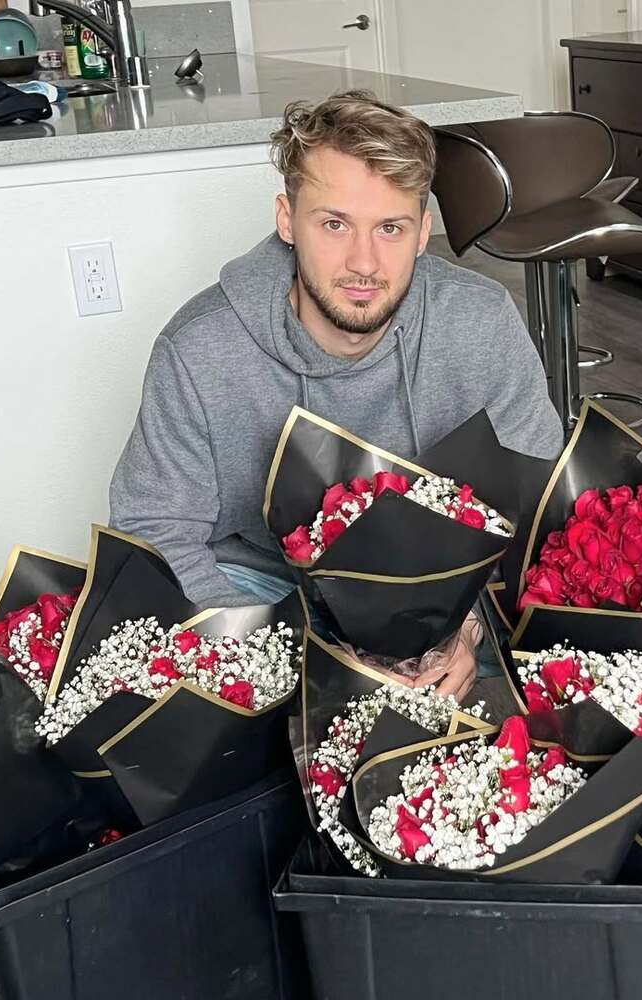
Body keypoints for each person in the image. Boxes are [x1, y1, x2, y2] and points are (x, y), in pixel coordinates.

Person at [109, 90, 563, 698]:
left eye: (391, 228)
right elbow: (152, 529)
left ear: (424, 232)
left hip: (450, 603)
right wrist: (301, 657)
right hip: (270, 590)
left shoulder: (479, 322)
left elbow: (539, 504)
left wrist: (468, 625)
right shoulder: (199, 348)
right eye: (334, 223)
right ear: (285, 220)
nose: (363, 262)